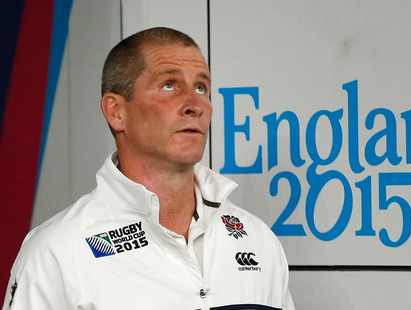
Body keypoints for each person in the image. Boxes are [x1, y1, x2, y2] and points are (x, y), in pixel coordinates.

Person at [2, 27, 295, 310]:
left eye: (201, 87)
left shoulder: (259, 239)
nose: (195, 104)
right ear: (116, 111)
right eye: (169, 85)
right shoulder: (57, 250)